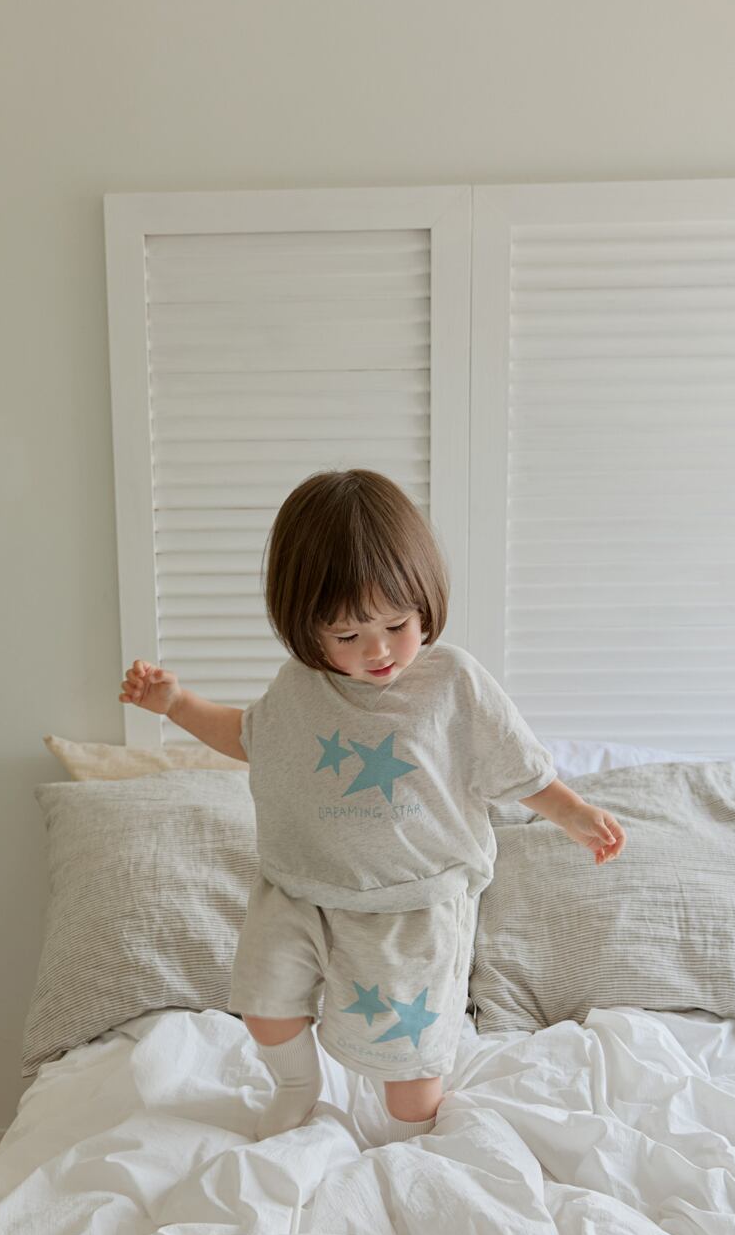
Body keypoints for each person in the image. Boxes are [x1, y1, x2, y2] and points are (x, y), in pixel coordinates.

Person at [120, 469, 626, 1143]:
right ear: (305, 627)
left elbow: (515, 766)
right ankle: (297, 1087)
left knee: (408, 1078)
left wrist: (572, 812)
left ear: (425, 605)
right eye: (347, 635)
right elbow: (250, 738)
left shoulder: (453, 683)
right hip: (299, 889)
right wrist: (177, 705)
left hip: (410, 906)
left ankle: (414, 1140)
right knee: (265, 1008)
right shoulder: (301, 686)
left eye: (396, 624)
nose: (379, 650)